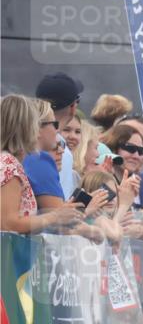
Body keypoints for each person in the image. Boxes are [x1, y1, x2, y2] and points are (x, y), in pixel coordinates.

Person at [1, 94, 82, 234]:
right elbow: (8, 223)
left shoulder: (11, 163)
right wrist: (55, 216)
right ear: (26, 127)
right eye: (35, 124)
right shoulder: (9, 165)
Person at [35, 72, 83, 198]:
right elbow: (59, 212)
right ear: (73, 107)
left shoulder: (22, 140)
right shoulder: (60, 152)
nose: (59, 151)